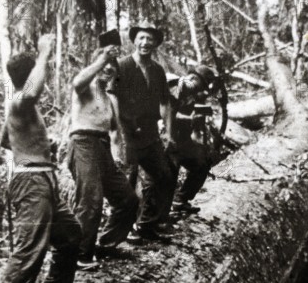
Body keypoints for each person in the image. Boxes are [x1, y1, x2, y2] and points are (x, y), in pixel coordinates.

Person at [0, 34, 82, 283]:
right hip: (31, 182)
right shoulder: (21, 100)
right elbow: (31, 94)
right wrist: (43, 52)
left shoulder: (21, 108)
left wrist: (32, 145)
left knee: (70, 234)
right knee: (31, 245)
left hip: (42, 178)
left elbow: (6, 140)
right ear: (31, 74)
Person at [68, 35, 138, 265]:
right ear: (95, 65)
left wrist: (118, 156)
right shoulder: (85, 87)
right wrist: (104, 57)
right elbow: (77, 82)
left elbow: (116, 132)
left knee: (128, 199)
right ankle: (80, 255)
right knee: (90, 202)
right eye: (103, 66)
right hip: (83, 144)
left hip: (103, 148)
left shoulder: (110, 97)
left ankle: (106, 244)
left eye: (111, 67)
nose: (107, 70)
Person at [115, 21, 175, 242]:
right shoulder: (122, 66)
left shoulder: (158, 70)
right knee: (127, 182)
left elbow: (165, 103)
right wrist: (116, 133)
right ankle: (126, 230)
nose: (145, 42)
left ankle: (147, 224)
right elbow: (112, 97)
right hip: (127, 133)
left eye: (150, 39)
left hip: (150, 134)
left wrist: (168, 132)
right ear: (134, 40)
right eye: (141, 38)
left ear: (155, 44)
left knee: (163, 176)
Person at [163, 65, 218, 215]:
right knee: (169, 174)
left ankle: (181, 199)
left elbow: (196, 129)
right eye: (200, 85)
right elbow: (167, 116)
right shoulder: (174, 87)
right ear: (193, 78)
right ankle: (161, 214)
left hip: (183, 141)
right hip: (166, 139)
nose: (200, 90)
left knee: (203, 161)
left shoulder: (193, 94)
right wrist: (190, 118)